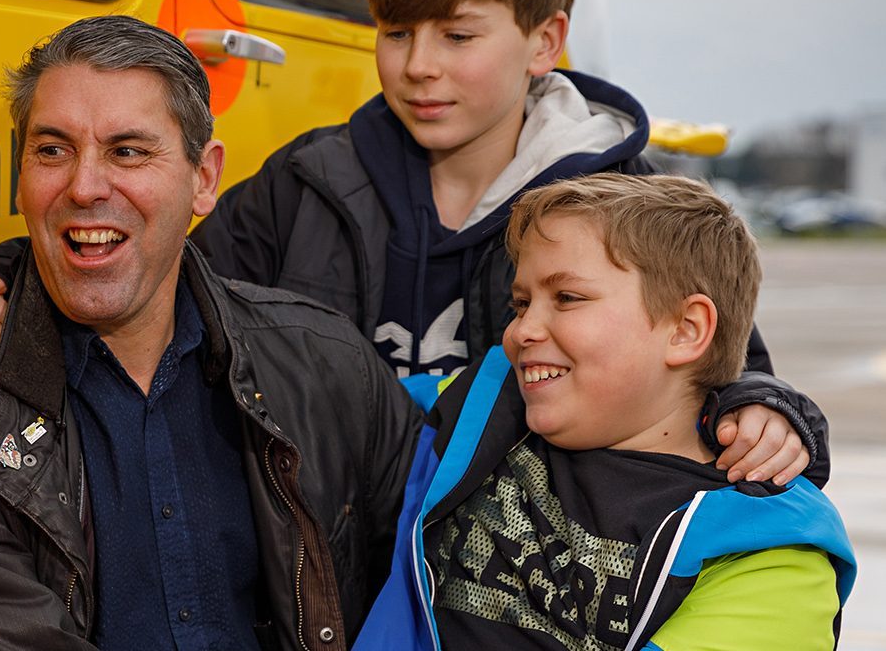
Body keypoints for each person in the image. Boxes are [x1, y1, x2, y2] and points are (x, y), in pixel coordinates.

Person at [0, 0, 826, 488]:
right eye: (396, 33)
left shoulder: (626, 198)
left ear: (545, 42)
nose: (418, 67)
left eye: (457, 36)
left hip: (522, 575)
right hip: (347, 551)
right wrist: (4, 269)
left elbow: (722, 361)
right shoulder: (310, 180)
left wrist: (769, 415)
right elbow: (162, 270)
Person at [0, 16, 419, 650]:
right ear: (19, 177)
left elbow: (430, 591)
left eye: (127, 151)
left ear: (204, 179)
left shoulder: (329, 364)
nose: (84, 186)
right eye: (51, 150)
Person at [356, 173, 854, 650]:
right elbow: (336, 396)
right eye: (521, 303)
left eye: (567, 298)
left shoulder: (771, 555)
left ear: (685, 329)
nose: (523, 330)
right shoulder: (480, 406)